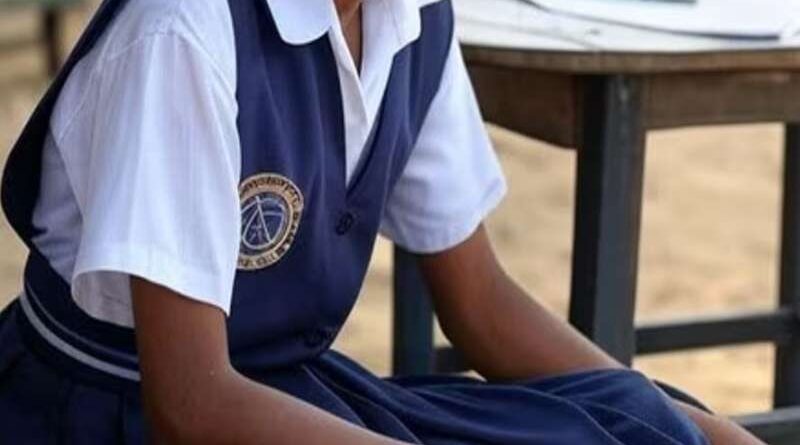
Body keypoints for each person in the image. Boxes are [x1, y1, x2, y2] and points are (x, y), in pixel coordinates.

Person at [0, 0, 764, 443]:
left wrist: (683, 417)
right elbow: (189, 404)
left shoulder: (408, 18)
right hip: (104, 408)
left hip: (278, 393)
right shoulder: (185, 33)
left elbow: (481, 303)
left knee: (635, 423)